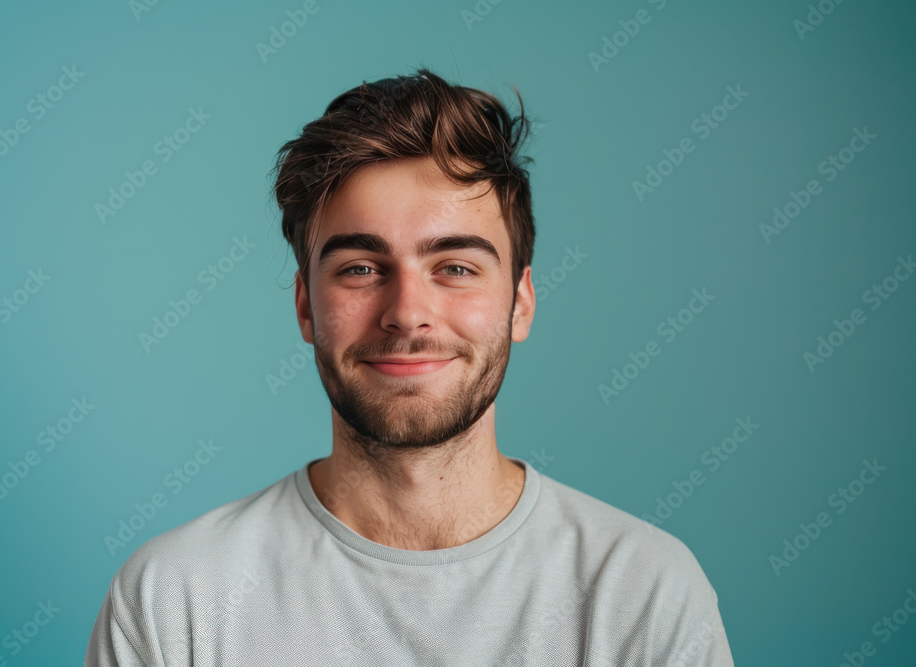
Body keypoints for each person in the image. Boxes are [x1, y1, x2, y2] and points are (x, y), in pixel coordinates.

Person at [84, 68, 734, 666]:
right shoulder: (175, 599)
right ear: (306, 306)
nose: (406, 314)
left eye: (455, 267)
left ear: (521, 303)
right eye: (361, 268)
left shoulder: (643, 592)